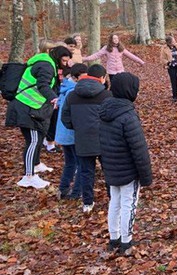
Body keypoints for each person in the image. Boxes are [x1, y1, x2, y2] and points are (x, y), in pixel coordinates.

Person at [99, 72, 152, 256]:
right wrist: (146, 177)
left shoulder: (105, 110)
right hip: (128, 170)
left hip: (111, 167)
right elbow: (139, 149)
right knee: (128, 203)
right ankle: (126, 241)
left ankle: (114, 237)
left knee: (115, 201)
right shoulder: (128, 116)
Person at [5, 46, 72, 189]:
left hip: (34, 107)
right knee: (33, 140)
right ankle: (28, 176)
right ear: (58, 57)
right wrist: (54, 99)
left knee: (39, 136)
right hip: (25, 107)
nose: (65, 64)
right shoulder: (46, 66)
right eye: (64, 61)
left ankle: (36, 164)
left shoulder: (49, 64)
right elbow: (43, 85)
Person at [61, 64, 113, 213]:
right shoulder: (107, 96)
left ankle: (87, 203)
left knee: (85, 172)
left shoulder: (72, 95)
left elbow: (66, 118)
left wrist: (78, 127)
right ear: (102, 78)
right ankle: (113, 200)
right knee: (108, 170)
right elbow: (111, 117)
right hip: (104, 139)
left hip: (82, 139)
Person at [55, 63, 88, 200]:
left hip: (63, 134)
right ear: (76, 77)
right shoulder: (73, 92)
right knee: (80, 164)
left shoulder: (65, 88)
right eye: (83, 77)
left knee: (71, 162)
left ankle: (63, 188)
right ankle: (76, 192)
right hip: (71, 133)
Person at [160, 35, 177, 102]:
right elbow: (162, 59)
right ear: (169, 43)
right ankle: (175, 96)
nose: (175, 42)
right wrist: (168, 63)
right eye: (173, 41)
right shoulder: (164, 48)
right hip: (171, 66)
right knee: (173, 80)